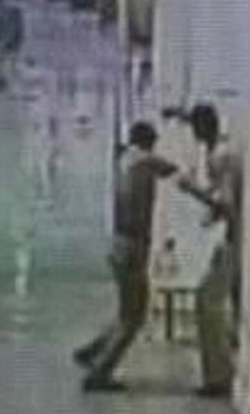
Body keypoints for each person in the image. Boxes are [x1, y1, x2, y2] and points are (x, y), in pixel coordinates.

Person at [73, 121, 179, 391]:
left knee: (125, 312)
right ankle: (99, 374)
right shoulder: (144, 160)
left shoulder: (124, 161)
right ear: (149, 141)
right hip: (133, 248)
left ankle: (92, 351)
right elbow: (174, 172)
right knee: (135, 318)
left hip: (118, 244)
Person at [172, 103, 243, 397]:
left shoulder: (221, 156)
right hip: (230, 237)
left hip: (232, 239)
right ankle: (223, 371)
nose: (193, 134)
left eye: (194, 127)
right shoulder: (219, 152)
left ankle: (219, 376)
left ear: (203, 127)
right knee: (219, 304)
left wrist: (192, 190)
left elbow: (227, 204)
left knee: (207, 302)